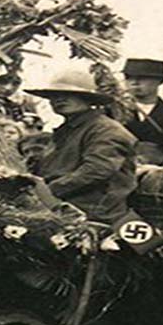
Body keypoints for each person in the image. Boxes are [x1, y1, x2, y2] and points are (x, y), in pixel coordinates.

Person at [25, 70, 137, 223]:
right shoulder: (67, 130)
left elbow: (97, 170)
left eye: (69, 94)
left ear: (88, 98)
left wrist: (46, 191)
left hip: (93, 212)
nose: (59, 99)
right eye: (54, 95)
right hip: (59, 206)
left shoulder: (106, 130)